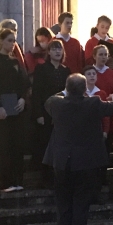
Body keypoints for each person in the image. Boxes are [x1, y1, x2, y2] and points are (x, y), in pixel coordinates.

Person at [43, 73, 113, 225]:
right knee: (81, 203)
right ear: (85, 88)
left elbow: (49, 100)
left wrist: (65, 91)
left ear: (67, 88)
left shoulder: (55, 103)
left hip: (61, 161)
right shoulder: (93, 103)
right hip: (85, 162)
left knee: (63, 203)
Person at [31, 39, 71, 188]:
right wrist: (38, 114)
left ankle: (58, 178)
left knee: (60, 146)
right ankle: (45, 178)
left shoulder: (66, 71)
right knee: (45, 145)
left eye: (59, 49)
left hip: (61, 115)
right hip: (45, 114)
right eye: (53, 49)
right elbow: (36, 93)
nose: (57, 52)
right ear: (48, 52)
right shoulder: (41, 69)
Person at [0, 28, 29, 192]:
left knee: (17, 144)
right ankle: (5, 182)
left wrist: (23, 99)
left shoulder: (16, 62)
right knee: (4, 145)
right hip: (2, 110)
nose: (12, 44)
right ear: (1, 41)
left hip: (16, 107)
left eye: (14, 41)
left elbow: (24, 84)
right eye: (9, 40)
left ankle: (18, 180)